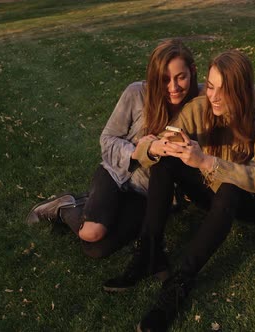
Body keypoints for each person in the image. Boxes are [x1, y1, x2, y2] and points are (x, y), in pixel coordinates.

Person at [103, 50, 255, 331]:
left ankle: (180, 283)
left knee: (230, 187)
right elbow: (161, 142)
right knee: (166, 161)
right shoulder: (201, 107)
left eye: (223, 90)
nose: (213, 96)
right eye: (211, 85)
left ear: (241, 90)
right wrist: (159, 146)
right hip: (213, 190)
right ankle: (148, 252)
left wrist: (205, 161)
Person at [25, 39, 199, 259]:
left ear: (192, 71)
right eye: (165, 79)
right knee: (92, 233)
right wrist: (137, 152)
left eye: (180, 77)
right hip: (116, 174)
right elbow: (107, 139)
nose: (173, 88)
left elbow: (234, 91)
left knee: (97, 249)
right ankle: (65, 206)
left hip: (146, 193)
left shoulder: (201, 102)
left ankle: (86, 205)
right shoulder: (137, 93)